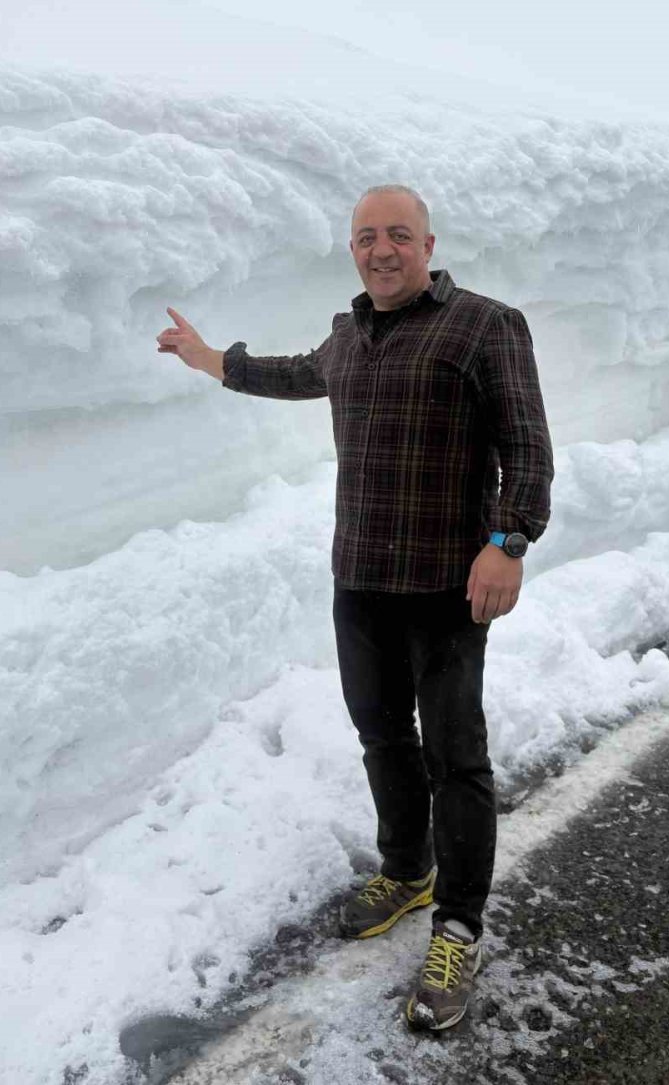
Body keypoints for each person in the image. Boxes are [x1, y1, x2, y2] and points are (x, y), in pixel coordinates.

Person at [156, 183, 553, 1031]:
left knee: (457, 756)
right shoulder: (348, 336)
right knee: (382, 735)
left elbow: (527, 444)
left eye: (398, 235)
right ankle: (406, 871)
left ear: (428, 244)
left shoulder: (486, 324)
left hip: (450, 586)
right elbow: (294, 374)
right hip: (361, 582)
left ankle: (458, 924)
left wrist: (510, 540)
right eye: (367, 236)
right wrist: (212, 360)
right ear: (352, 249)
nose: (381, 249)